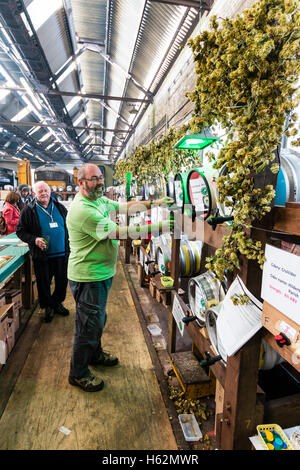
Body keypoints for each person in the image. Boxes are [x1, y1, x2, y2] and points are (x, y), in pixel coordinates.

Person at [66, 163, 174, 392]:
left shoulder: (99, 200)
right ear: (81, 183)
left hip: (100, 274)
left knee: (97, 320)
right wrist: (161, 226)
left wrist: (154, 203)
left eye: (99, 178)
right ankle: (78, 373)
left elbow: (125, 207)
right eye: (92, 179)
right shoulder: (83, 210)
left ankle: (94, 355)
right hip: (88, 277)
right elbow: (120, 232)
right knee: (87, 326)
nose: (98, 183)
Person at [16, 181, 70, 323]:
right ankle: (48, 307)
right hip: (43, 255)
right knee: (44, 282)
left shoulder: (59, 207)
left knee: (62, 281)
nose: (44, 193)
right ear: (34, 193)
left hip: (62, 253)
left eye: (46, 190)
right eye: (40, 191)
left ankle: (57, 303)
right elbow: (20, 231)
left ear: (50, 190)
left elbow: (68, 225)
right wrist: (34, 240)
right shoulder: (29, 210)